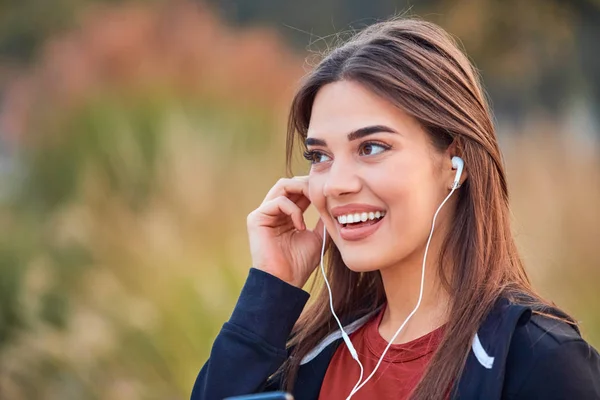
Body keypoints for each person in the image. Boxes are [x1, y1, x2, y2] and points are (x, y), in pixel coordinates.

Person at [191, 17, 600, 400]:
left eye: (371, 148)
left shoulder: (539, 360)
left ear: (454, 162)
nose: (335, 185)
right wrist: (270, 289)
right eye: (319, 156)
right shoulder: (308, 361)